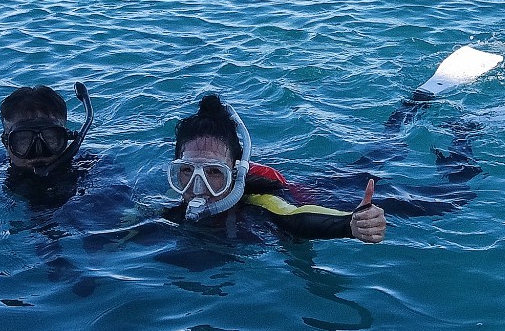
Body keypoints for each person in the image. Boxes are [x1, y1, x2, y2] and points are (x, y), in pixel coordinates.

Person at [165, 94, 388, 242]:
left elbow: (296, 217)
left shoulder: (259, 202)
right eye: (186, 170)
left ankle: (411, 109)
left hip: (324, 196)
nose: (198, 186)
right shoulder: (171, 209)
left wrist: (348, 224)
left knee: (381, 162)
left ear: (234, 173)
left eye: (214, 172)